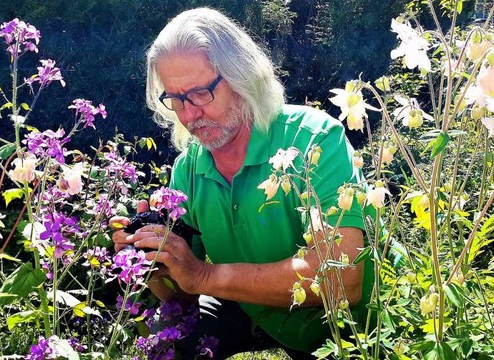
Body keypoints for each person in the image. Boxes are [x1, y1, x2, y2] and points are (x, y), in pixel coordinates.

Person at [111, 7, 374, 359]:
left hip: (344, 327)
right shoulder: (187, 170)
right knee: (171, 333)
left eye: (201, 93)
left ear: (242, 77)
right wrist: (154, 263)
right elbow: (184, 296)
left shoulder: (314, 139)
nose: (189, 114)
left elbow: (342, 280)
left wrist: (203, 275)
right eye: (175, 99)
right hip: (248, 308)